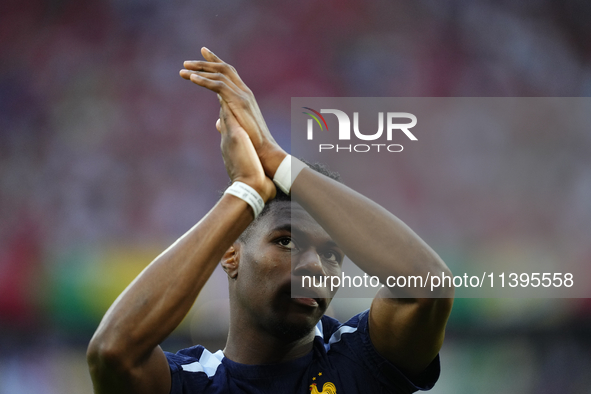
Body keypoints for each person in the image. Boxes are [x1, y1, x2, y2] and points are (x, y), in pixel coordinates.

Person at [86, 47, 454, 394]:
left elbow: (429, 285)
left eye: (333, 255)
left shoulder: (359, 362)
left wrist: (276, 159)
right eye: (286, 242)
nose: (314, 266)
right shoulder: (192, 384)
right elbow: (112, 353)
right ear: (230, 255)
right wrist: (245, 192)